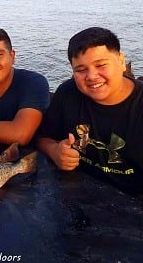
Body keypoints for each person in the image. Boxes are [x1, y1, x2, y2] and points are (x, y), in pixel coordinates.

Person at [37, 27, 143, 194]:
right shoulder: (67, 93)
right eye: (81, 70)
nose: (92, 76)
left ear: (122, 62)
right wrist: (55, 151)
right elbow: (43, 137)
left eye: (100, 65)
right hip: (78, 192)